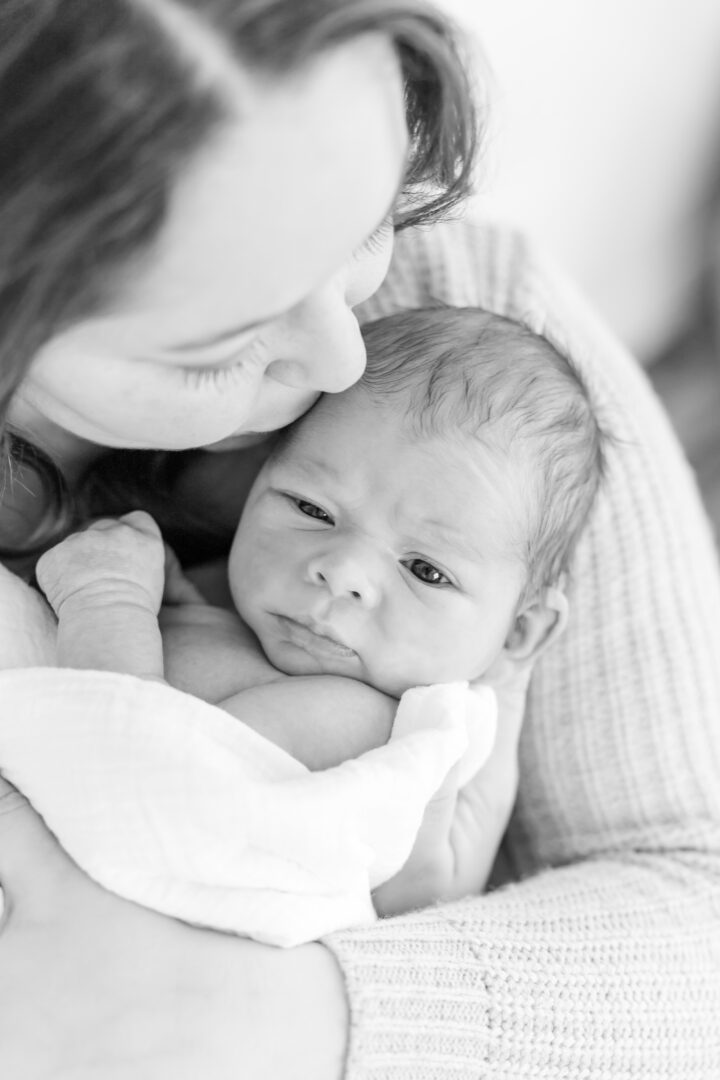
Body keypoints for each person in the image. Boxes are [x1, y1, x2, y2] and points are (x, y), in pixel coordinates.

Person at [0, 2, 719, 1078]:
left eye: (371, 222)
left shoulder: (477, 344)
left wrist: (259, 1015)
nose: (345, 359)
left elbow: (695, 910)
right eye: (223, 342)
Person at [24, 307, 602, 937]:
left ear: (517, 634)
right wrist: (181, 610)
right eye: (311, 507)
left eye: (426, 571)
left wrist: (108, 605)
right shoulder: (245, 613)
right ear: (255, 476)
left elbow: (140, 788)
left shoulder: (382, 738)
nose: (342, 570)